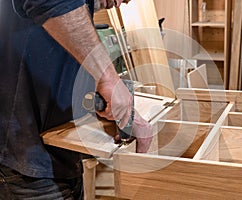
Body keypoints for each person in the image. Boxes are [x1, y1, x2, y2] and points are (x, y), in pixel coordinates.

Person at [0, 0, 152, 199]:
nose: (126, 1)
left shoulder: (78, 13)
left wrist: (116, 107)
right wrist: (109, 79)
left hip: (60, 153)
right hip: (25, 161)